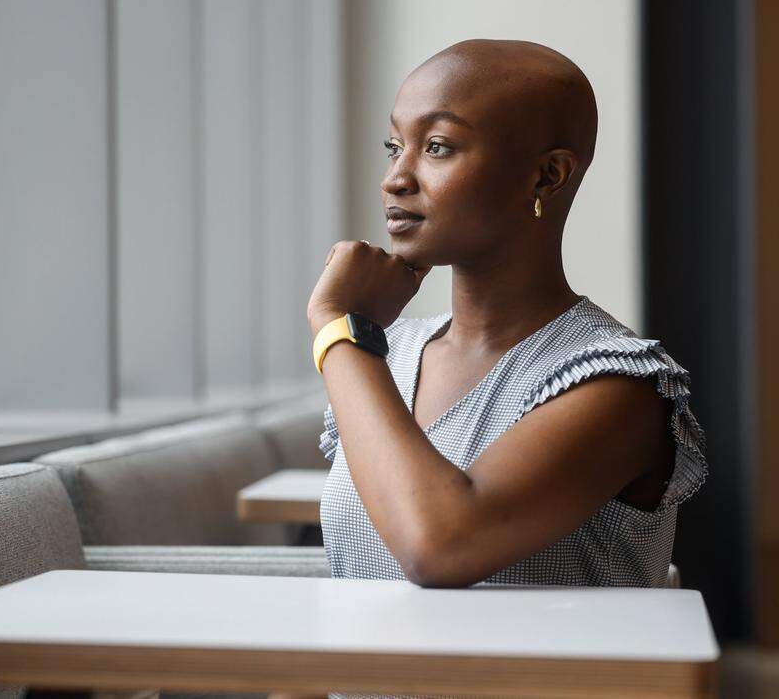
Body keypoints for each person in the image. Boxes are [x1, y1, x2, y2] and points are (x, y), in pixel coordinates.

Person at [282, 39, 708, 699]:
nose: (397, 178)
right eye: (395, 146)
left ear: (547, 177)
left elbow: (439, 546)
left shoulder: (616, 385)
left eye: (440, 147)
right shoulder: (384, 356)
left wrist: (339, 325)